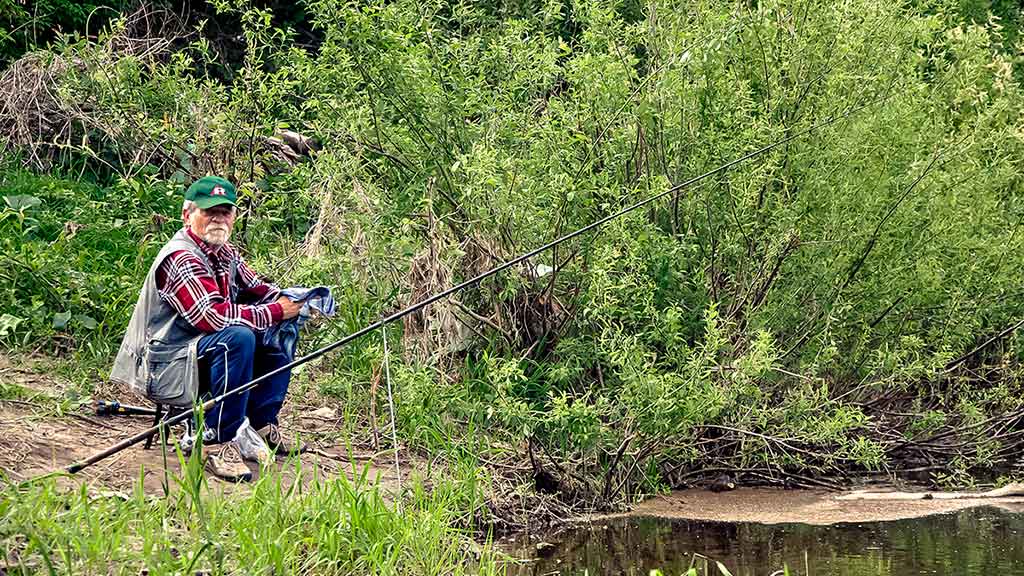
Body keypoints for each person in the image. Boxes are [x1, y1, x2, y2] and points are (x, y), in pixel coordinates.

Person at [110, 176, 305, 482]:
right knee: (238, 337)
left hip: (198, 351)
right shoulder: (181, 256)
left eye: (224, 212)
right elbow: (211, 318)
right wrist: (277, 310)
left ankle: (261, 425)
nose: (218, 218)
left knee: (275, 333)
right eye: (208, 211)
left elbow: (257, 288)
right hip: (167, 364)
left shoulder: (225, 252)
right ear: (187, 215)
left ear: (234, 217)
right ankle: (216, 443)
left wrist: (295, 300)